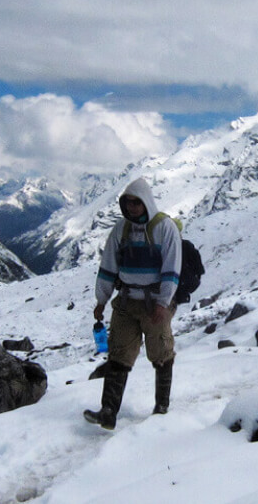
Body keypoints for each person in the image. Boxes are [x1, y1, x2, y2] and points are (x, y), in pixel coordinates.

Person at [84, 177, 183, 430]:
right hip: (126, 302)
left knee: (161, 354)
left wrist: (163, 302)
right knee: (118, 355)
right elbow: (108, 266)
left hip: (154, 304)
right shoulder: (121, 229)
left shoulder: (165, 228)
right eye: (128, 203)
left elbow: (172, 268)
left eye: (136, 203)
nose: (132, 208)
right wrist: (101, 300)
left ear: (146, 202)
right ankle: (108, 411)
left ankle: (162, 406)